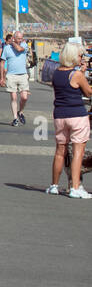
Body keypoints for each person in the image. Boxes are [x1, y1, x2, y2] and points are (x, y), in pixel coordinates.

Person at [47, 40, 92, 197]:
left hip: (60, 114)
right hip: (77, 115)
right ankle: (75, 187)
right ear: (74, 56)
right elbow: (88, 92)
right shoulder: (77, 74)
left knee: (60, 151)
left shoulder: (57, 73)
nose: (82, 58)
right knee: (78, 152)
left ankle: (54, 185)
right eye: (80, 56)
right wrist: (83, 72)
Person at [0, 31, 32, 127]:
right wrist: (1, 77)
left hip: (22, 74)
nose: (20, 40)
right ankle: (15, 118)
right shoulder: (7, 48)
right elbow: (2, 62)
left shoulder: (24, 45)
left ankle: (20, 111)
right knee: (13, 97)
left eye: (21, 38)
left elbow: (19, 49)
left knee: (24, 97)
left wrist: (13, 42)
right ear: (14, 38)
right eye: (18, 38)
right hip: (11, 75)